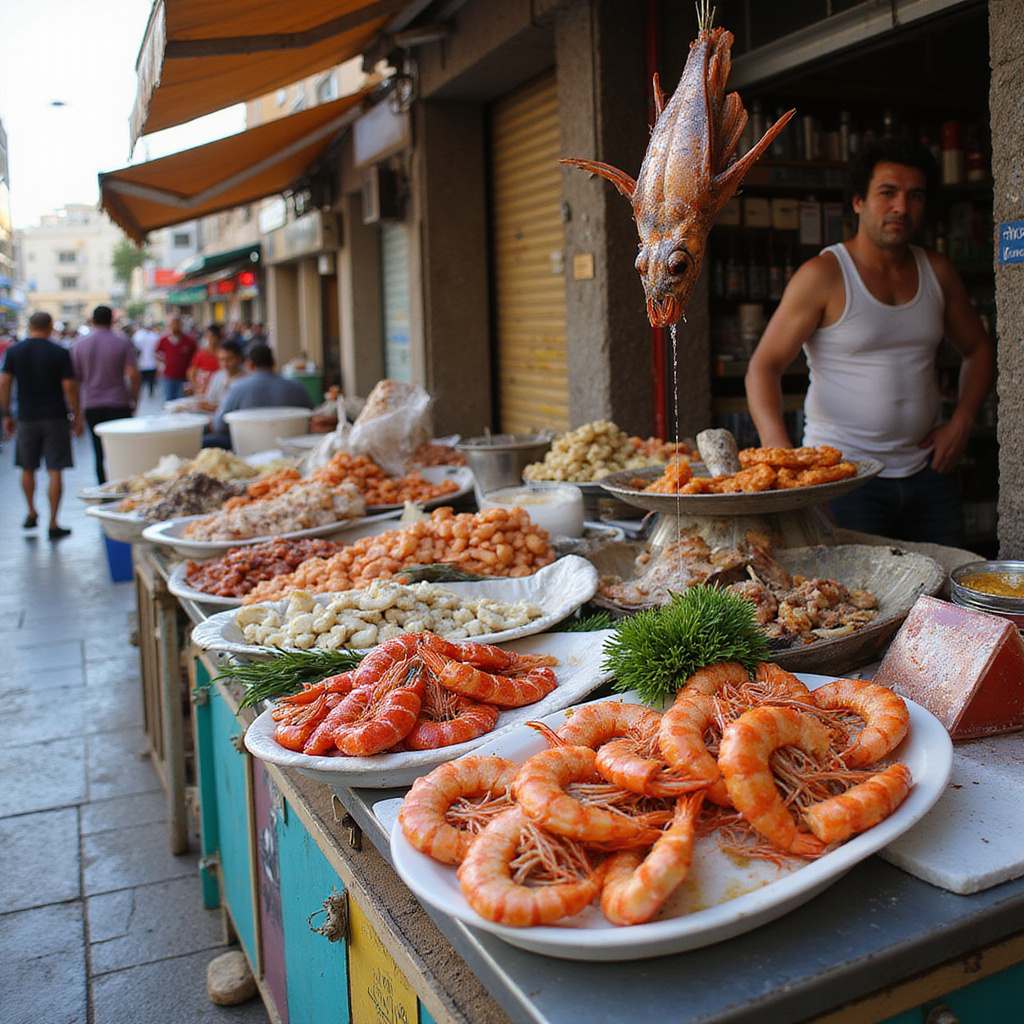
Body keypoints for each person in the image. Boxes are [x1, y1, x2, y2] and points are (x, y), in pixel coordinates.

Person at [744, 136, 995, 547]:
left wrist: (963, 421)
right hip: (845, 477)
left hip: (927, 471)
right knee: (857, 602)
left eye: (915, 196)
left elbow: (979, 349)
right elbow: (763, 366)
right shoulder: (823, 274)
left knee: (941, 597)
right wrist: (781, 455)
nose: (901, 207)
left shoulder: (937, 270)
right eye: (888, 193)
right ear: (858, 201)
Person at [0, 310, 83, 538]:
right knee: (55, 469)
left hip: (26, 417)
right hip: (55, 416)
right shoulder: (58, 352)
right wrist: (77, 415)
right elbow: (69, 387)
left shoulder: (14, 351)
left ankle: (30, 510)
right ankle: (53, 523)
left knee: (27, 467)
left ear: (30, 326)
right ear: (50, 329)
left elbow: (5, 384)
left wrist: (6, 414)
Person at [70, 305, 141, 485]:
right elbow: (132, 373)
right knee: (122, 450)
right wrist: (134, 398)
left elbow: (74, 382)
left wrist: (76, 412)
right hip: (118, 403)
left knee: (98, 451)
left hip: (92, 405)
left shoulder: (79, 345)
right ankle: (123, 486)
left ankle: (104, 489)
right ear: (112, 320)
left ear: (92, 321)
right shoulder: (122, 342)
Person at [204, 343, 313, 448]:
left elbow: (219, 426)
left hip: (247, 451)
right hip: (290, 449)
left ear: (249, 364)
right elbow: (311, 418)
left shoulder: (238, 388)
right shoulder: (297, 387)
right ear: (273, 362)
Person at [197, 338, 248, 413]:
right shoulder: (217, 376)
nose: (225, 364)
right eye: (221, 360)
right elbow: (210, 400)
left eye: (228, 360)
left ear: (238, 359)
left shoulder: (246, 379)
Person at [155, 313, 197, 402]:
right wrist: (162, 361)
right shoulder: (164, 339)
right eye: (172, 323)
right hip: (169, 377)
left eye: (177, 323)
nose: (175, 326)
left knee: (182, 402)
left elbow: (196, 356)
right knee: (169, 401)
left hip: (185, 377)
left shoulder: (189, 340)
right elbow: (156, 352)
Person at [187, 323, 223, 398]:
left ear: (219, 337)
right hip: (202, 393)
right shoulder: (201, 354)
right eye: (209, 336)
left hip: (218, 392)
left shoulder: (223, 356)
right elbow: (192, 372)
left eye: (214, 336)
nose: (211, 339)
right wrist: (195, 385)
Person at [133, 322, 161, 397]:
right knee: (151, 379)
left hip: (143, 362)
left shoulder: (138, 336)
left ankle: (142, 392)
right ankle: (150, 391)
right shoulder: (154, 336)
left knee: (142, 379)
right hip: (151, 362)